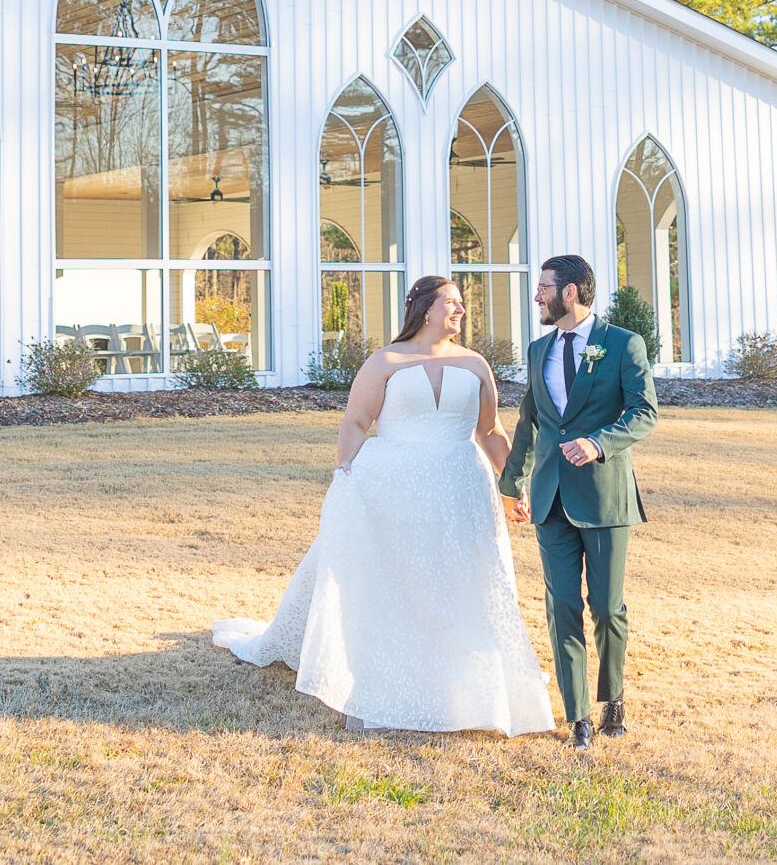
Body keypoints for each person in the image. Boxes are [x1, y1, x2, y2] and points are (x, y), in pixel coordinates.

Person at [211, 275, 555, 736]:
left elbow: (489, 432)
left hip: (461, 488)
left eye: (460, 304)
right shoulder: (386, 360)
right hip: (396, 484)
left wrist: (512, 484)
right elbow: (356, 420)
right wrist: (345, 472)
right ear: (425, 309)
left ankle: (466, 669)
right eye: (451, 303)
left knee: (461, 576)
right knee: (402, 576)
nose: (460, 311)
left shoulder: (475, 364)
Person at [498, 252, 660, 750]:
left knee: (607, 607)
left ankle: (613, 698)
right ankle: (578, 718)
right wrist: (511, 484)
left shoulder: (622, 345)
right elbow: (531, 420)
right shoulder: (537, 349)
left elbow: (644, 413)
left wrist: (598, 443)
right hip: (549, 498)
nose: (537, 296)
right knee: (561, 606)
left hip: (605, 498)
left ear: (570, 292)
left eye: (543, 287)